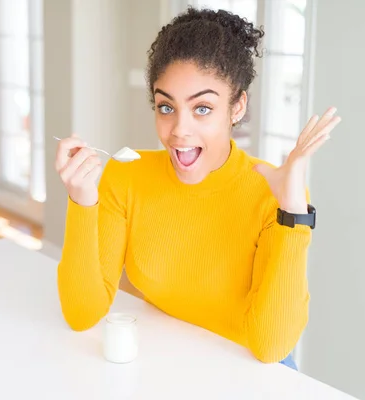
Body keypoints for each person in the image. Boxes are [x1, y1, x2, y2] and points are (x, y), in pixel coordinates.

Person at [54, 7, 341, 369]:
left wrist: (293, 213)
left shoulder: (274, 194)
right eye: (165, 106)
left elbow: (271, 348)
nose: (179, 130)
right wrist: (82, 201)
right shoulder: (126, 177)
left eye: (202, 108)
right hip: (168, 358)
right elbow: (82, 314)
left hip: (248, 370)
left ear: (237, 107)